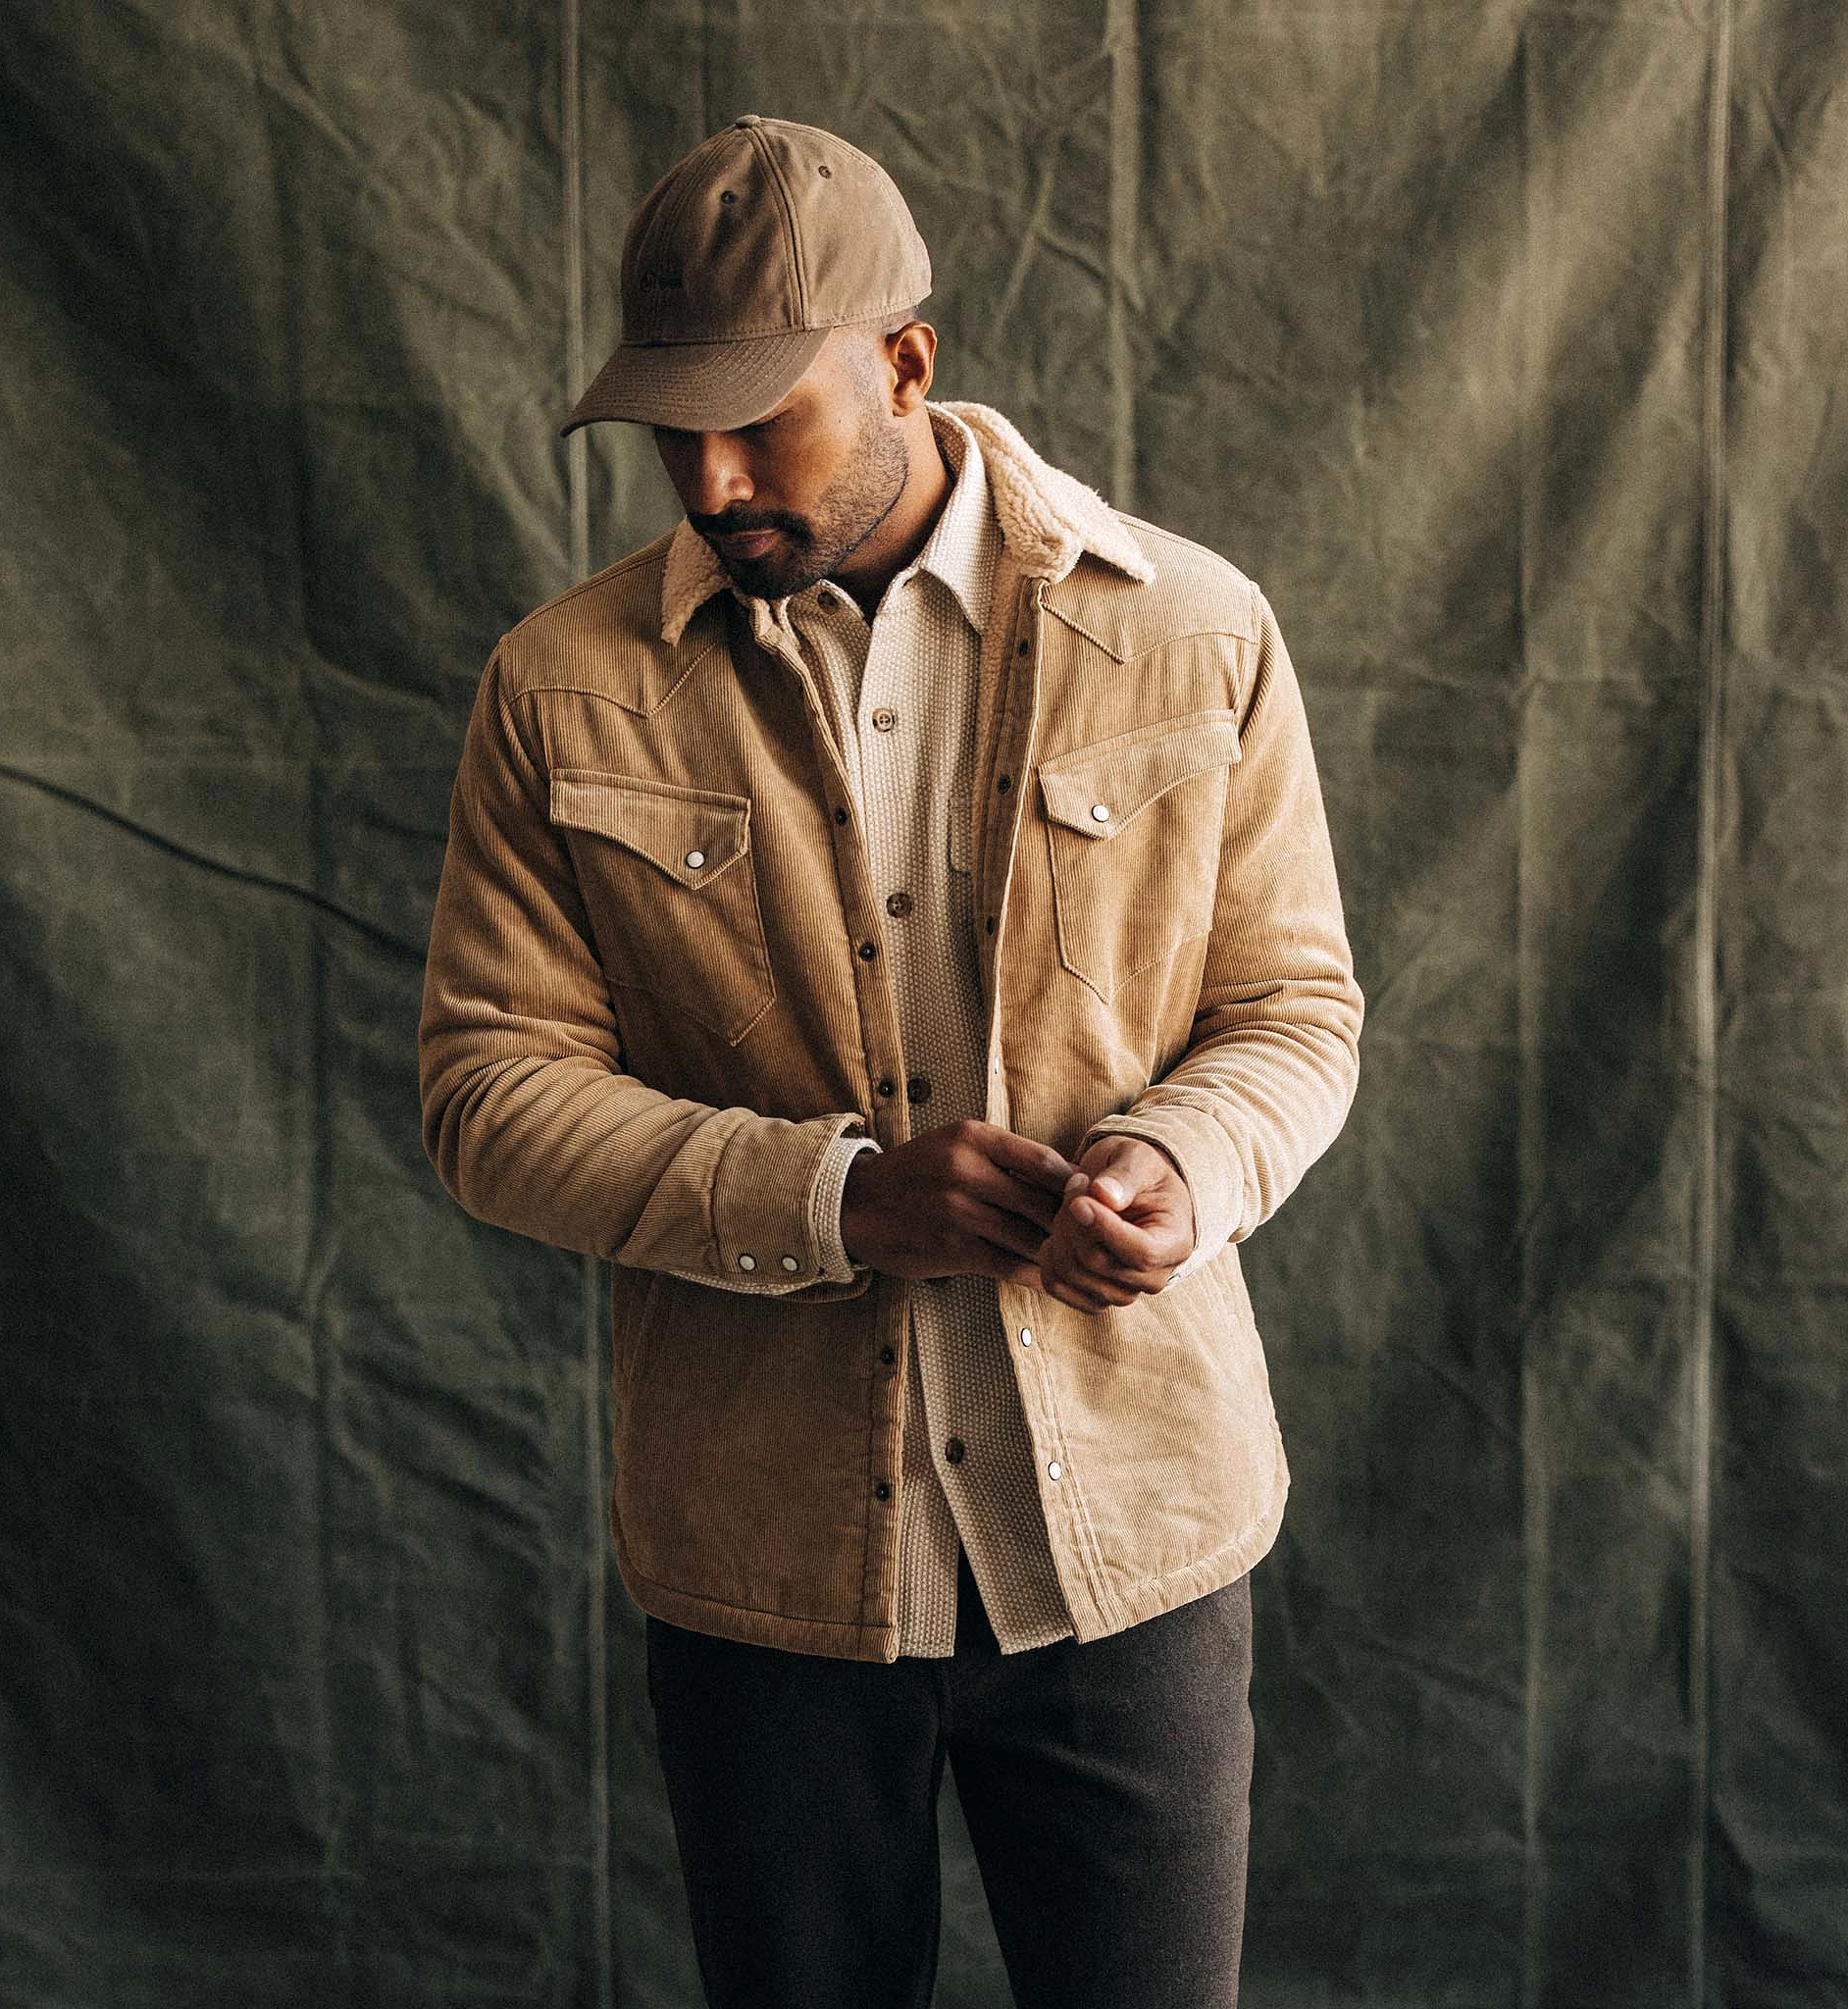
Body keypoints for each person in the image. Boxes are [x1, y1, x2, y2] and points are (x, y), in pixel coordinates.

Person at [418, 113, 1361, 2009]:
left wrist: (1185, 1161)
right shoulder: (561, 682)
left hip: (1138, 1547)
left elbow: (1298, 1012)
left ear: (909, 363)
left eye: (765, 420)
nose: (712, 472)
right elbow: (486, 1091)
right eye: (673, 428)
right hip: (767, 1575)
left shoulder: (1194, 631)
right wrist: (840, 1198)